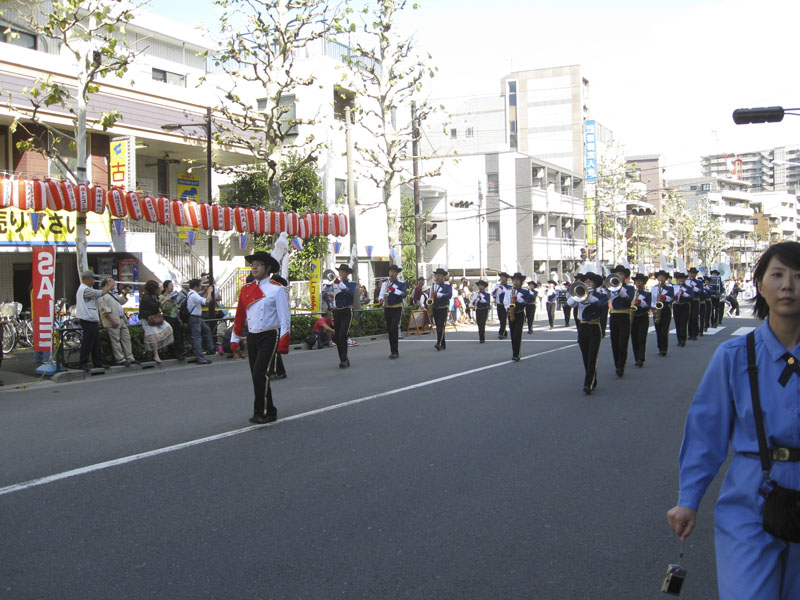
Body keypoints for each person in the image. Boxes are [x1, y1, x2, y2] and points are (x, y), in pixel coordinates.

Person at [666, 241, 800, 600]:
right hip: (750, 498)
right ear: (760, 284)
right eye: (778, 275)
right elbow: (705, 433)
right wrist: (689, 498)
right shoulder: (735, 355)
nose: (788, 285)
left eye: (799, 276)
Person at [232, 251, 290, 425]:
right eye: (253, 264)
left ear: (268, 268)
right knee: (257, 375)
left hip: (269, 334)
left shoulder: (277, 289)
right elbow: (240, 315)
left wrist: (284, 341)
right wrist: (235, 339)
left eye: (259, 264)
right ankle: (270, 410)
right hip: (252, 336)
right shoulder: (247, 289)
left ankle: (261, 412)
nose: (254, 267)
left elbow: (285, 317)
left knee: (259, 373)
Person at [567, 272, 607, 395]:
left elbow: (601, 306)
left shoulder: (600, 295)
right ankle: (592, 380)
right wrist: (576, 296)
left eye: (590, 282)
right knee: (586, 356)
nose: (588, 284)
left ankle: (588, 383)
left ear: (595, 285)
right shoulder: (579, 294)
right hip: (583, 327)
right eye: (586, 282)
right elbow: (570, 304)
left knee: (592, 356)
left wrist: (588, 297)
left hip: (594, 326)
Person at [75, 270, 115, 371]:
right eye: (93, 279)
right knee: (88, 342)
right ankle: (83, 363)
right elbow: (99, 293)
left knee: (95, 342)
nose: (94, 281)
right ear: (88, 279)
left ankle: (98, 362)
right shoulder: (85, 289)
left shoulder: (85, 288)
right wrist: (110, 286)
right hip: (87, 318)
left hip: (90, 318)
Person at [99, 279, 135, 366]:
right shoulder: (104, 295)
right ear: (107, 284)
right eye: (112, 283)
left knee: (126, 338)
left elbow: (121, 301)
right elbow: (106, 311)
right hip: (113, 320)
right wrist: (112, 320)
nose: (114, 285)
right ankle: (120, 359)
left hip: (121, 319)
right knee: (116, 340)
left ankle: (130, 357)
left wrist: (125, 293)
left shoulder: (112, 294)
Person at [607, 265, 635, 378]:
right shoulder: (609, 287)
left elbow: (629, 299)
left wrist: (619, 288)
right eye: (617, 273)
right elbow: (604, 298)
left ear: (625, 277)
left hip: (624, 315)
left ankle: (621, 364)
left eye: (621, 274)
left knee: (623, 342)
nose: (619, 275)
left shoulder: (629, 288)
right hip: (614, 315)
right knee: (614, 342)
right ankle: (617, 364)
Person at [138, 280, 174, 364]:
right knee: (153, 336)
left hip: (153, 316)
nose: (158, 289)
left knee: (168, 328)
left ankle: (160, 350)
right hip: (147, 318)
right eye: (157, 287)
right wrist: (165, 300)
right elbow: (156, 305)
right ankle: (155, 354)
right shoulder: (147, 297)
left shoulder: (154, 296)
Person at [331, 263, 357, 368]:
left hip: (347, 311)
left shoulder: (352, 284)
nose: (340, 273)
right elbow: (326, 294)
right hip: (337, 311)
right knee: (337, 337)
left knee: (342, 335)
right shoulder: (335, 284)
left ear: (347, 273)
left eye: (343, 272)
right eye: (340, 271)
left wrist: (340, 284)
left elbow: (350, 293)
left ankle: (345, 359)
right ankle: (343, 359)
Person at [379, 264, 407, 359]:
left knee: (393, 328)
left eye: (394, 272)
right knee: (390, 330)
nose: (392, 273)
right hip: (387, 308)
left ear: (397, 273)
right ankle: (392, 350)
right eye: (391, 272)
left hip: (397, 308)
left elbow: (403, 295)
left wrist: (394, 289)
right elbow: (381, 294)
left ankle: (395, 351)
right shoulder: (385, 284)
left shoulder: (401, 284)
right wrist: (381, 299)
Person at [504, 272, 532, 362]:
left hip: (520, 313)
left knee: (517, 334)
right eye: (513, 280)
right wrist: (508, 308)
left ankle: (517, 353)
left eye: (517, 280)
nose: (515, 282)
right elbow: (505, 301)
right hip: (511, 313)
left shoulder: (525, 291)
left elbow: (529, 300)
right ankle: (514, 353)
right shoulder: (509, 290)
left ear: (521, 281)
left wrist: (519, 299)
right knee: (512, 334)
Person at [186, 278, 214, 365]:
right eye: (200, 285)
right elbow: (206, 301)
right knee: (197, 338)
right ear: (196, 286)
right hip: (195, 318)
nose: (201, 287)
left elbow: (202, 299)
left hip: (197, 318)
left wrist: (206, 292)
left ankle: (210, 349)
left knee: (206, 330)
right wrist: (209, 291)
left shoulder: (192, 293)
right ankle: (200, 358)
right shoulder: (193, 295)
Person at [159, 280, 185, 361]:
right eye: (171, 285)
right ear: (166, 287)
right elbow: (163, 309)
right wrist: (171, 304)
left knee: (178, 336)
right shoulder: (163, 297)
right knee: (172, 336)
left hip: (175, 318)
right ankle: (174, 353)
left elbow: (176, 309)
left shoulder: (174, 296)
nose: (172, 287)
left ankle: (180, 351)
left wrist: (179, 318)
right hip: (168, 318)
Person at [629, 273, 651, 368]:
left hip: (643, 316)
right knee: (634, 338)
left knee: (641, 338)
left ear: (644, 283)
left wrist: (640, 302)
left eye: (640, 281)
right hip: (633, 317)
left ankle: (641, 358)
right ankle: (636, 357)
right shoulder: (632, 293)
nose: (638, 283)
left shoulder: (647, 294)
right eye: (636, 281)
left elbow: (648, 306)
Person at [651, 270, 675, 357]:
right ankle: (660, 347)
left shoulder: (669, 288)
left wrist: (665, 297)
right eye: (659, 276)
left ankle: (664, 348)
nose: (661, 278)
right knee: (658, 329)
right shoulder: (654, 288)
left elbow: (672, 298)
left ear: (665, 278)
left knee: (664, 330)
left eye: (663, 276)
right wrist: (653, 309)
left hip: (665, 309)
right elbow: (652, 300)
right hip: (656, 309)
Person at [430, 267, 452, 350]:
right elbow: (431, 297)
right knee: (439, 326)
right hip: (435, 307)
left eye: (439, 275)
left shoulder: (447, 285)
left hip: (443, 307)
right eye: (436, 275)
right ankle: (443, 344)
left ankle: (438, 343)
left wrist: (438, 295)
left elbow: (449, 295)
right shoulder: (433, 286)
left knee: (440, 325)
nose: (437, 277)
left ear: (443, 277)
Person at [672, 271, 693, 347]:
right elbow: (671, 297)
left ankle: (683, 339)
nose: (681, 280)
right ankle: (679, 339)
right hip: (676, 305)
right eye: (679, 279)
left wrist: (684, 293)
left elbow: (691, 297)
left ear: (685, 279)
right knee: (677, 323)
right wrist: (675, 296)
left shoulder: (688, 287)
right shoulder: (674, 287)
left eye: (682, 279)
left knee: (683, 323)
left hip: (685, 305)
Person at [491, 272, 511, 339]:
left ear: (506, 278)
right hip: (499, 304)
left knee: (503, 319)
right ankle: (504, 332)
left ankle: (501, 333)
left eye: (503, 277)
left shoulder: (509, 287)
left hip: (505, 305)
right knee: (500, 319)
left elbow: (509, 294)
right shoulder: (497, 286)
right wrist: (495, 292)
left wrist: (503, 289)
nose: (502, 278)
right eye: (501, 277)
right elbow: (493, 294)